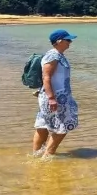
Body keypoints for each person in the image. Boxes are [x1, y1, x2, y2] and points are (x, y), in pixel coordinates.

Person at [32, 29, 79, 157]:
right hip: (56, 97)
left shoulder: (56, 55)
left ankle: (36, 155)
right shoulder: (53, 56)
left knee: (43, 126)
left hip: (53, 95)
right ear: (59, 41)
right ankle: (47, 156)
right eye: (68, 40)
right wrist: (52, 98)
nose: (70, 42)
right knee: (62, 127)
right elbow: (46, 77)